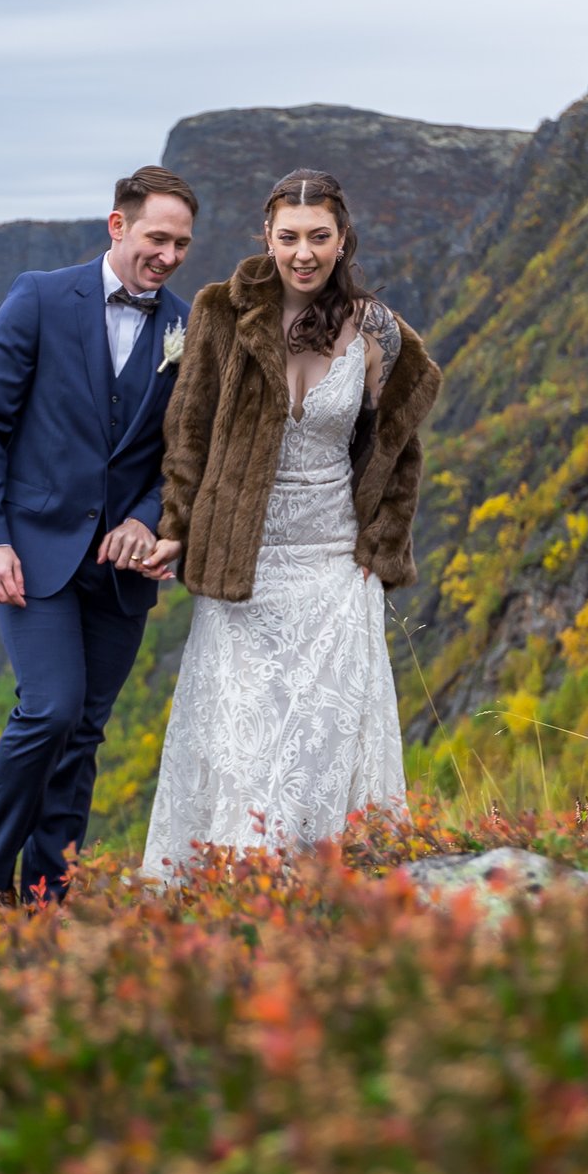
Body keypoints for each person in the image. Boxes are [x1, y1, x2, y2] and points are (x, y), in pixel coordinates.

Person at [139, 168, 440, 874]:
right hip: (243, 567)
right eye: (289, 236)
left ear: (342, 240)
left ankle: (322, 892)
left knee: (320, 744)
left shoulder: (376, 330)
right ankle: (235, 891)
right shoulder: (221, 312)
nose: (303, 252)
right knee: (244, 746)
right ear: (266, 238)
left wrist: (381, 542)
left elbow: (397, 451)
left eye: (319, 237)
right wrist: (176, 526)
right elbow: (188, 434)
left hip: (334, 566)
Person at [0, 166, 197, 906]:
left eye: (183, 244)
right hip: (33, 554)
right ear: (117, 225)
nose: (170, 255)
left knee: (85, 733)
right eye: (158, 237)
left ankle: (47, 897)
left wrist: (150, 516)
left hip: (122, 571)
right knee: (49, 709)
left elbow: (188, 449)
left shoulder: (189, 329)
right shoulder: (37, 297)